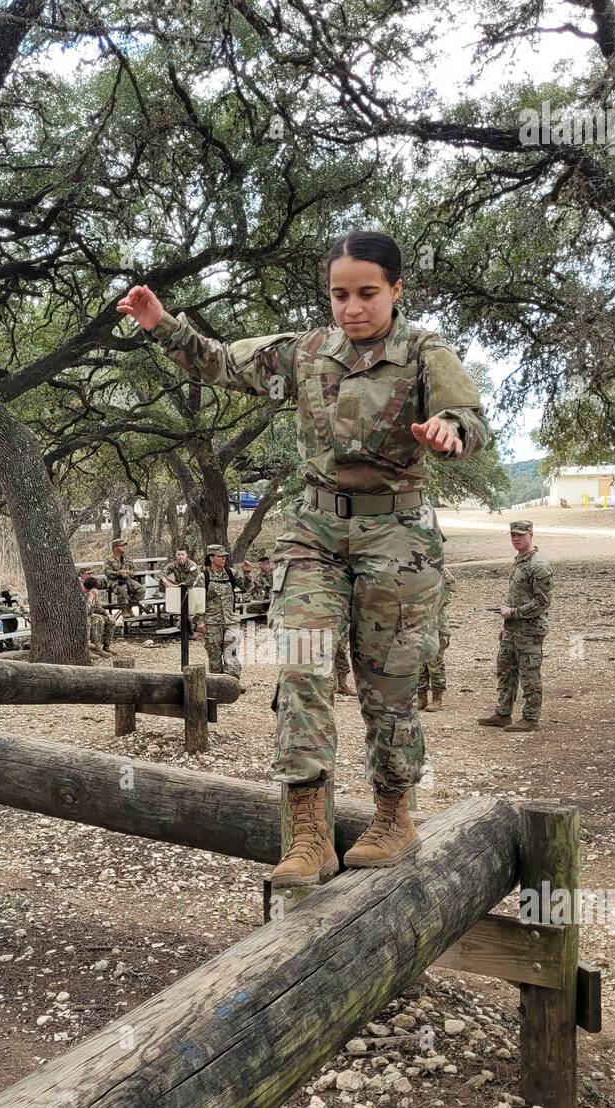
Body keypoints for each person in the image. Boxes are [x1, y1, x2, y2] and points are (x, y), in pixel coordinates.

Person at [117, 229, 489, 884]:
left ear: (396, 290)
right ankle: (309, 832)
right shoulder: (308, 351)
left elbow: (468, 414)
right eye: (340, 294)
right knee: (303, 668)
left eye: (367, 293)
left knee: (388, 684)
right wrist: (161, 325)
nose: (352, 307)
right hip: (315, 532)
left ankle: (394, 816)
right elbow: (221, 361)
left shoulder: (426, 351)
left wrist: (449, 430)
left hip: (395, 537)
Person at [478, 520, 552, 732]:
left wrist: (515, 613)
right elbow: (516, 596)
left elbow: (543, 602)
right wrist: (507, 621)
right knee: (505, 671)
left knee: (530, 674)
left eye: (520, 534)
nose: (516, 538)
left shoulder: (538, 566)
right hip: (512, 629)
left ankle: (530, 718)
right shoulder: (519, 562)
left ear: (531, 534)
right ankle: (503, 714)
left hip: (530, 631)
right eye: (512, 535)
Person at [196, 543, 244, 676]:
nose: (223, 559)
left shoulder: (231, 573)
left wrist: (246, 572)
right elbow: (196, 601)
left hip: (231, 621)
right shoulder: (203, 577)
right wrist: (199, 621)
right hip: (212, 622)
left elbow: (246, 587)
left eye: (225, 556)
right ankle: (217, 686)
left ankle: (232, 683)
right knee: (214, 656)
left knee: (231, 651)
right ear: (211, 558)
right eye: (220, 556)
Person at [417, 565, 456, 712]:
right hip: (420, 622)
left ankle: (437, 698)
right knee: (419, 661)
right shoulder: (414, 569)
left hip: (437, 624)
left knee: (435, 661)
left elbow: (452, 587)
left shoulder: (440, 569)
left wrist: (439, 604)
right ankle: (421, 697)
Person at [103, 538, 145, 617]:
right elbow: (107, 572)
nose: (123, 547)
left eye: (124, 546)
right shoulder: (108, 559)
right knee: (121, 588)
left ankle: (130, 606)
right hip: (114, 580)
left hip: (127, 578)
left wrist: (128, 573)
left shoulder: (128, 558)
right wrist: (118, 573)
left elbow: (133, 569)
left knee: (141, 589)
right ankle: (124, 609)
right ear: (115, 548)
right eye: (121, 546)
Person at [82, 575, 117, 655]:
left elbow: (97, 607)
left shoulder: (92, 592)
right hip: (84, 615)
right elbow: (84, 610)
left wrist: (107, 613)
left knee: (110, 620)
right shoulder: (80, 592)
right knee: (98, 620)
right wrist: (90, 599)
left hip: (90, 613)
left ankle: (106, 645)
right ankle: (96, 647)